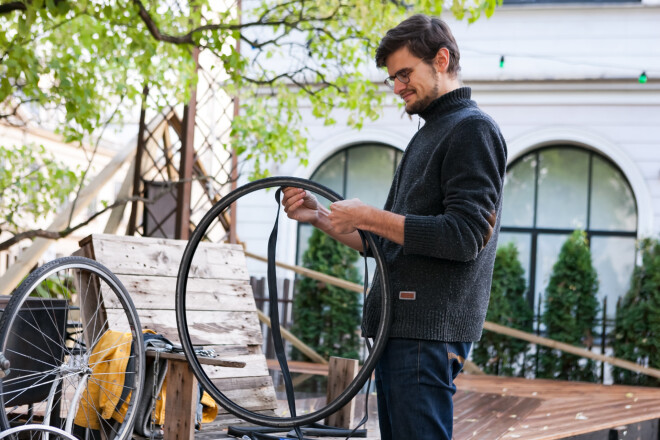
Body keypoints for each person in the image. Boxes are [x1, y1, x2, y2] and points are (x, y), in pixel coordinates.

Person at [282, 14, 507, 440]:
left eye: (405, 74)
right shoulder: (432, 132)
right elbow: (382, 244)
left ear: (441, 59)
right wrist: (317, 215)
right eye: (393, 78)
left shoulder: (472, 130)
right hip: (403, 330)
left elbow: (463, 237)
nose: (398, 86)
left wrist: (369, 215)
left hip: (426, 333)